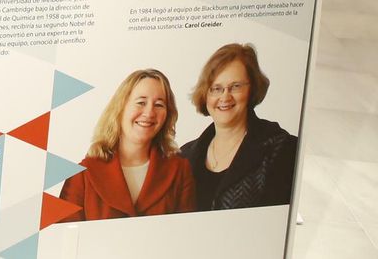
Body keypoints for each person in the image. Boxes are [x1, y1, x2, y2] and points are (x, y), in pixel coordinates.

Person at [60, 68, 196, 220]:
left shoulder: (179, 171)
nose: (149, 112)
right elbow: (66, 240)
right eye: (141, 102)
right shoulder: (82, 175)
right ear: (120, 108)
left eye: (159, 104)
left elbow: (186, 236)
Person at [179, 43, 298, 211]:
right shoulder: (184, 156)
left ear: (252, 89)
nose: (225, 97)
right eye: (216, 89)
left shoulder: (281, 149)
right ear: (205, 95)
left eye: (235, 86)